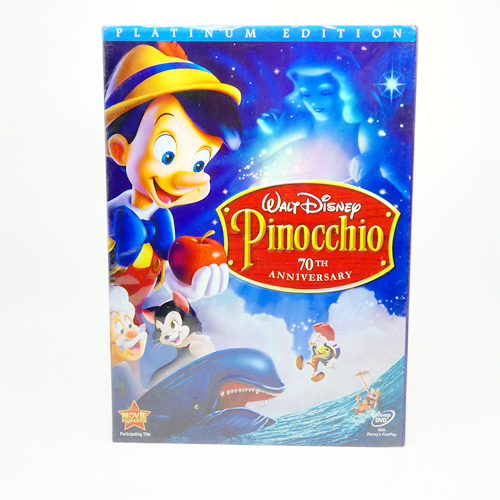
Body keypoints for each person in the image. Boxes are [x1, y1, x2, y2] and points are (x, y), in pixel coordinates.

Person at [105, 42, 242, 322]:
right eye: (167, 155)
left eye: (199, 164)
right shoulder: (108, 216)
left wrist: (182, 284)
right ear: (120, 150)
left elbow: (158, 280)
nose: (187, 176)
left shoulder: (160, 218)